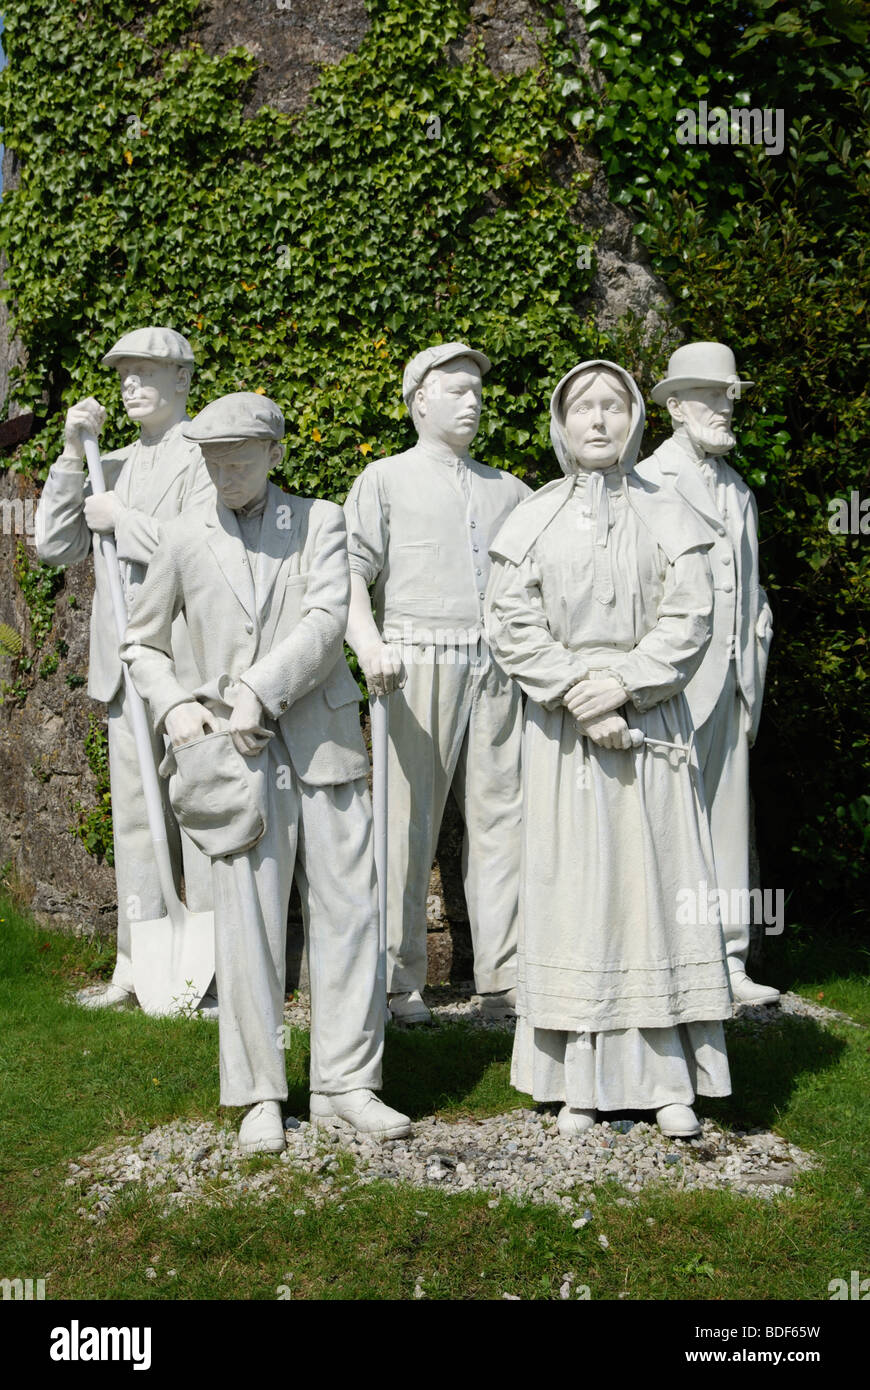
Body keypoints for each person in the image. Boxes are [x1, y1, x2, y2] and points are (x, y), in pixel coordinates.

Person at [121, 392, 410, 1153]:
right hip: (233, 755)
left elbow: (325, 621)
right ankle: (258, 1093)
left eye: (242, 457)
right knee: (246, 923)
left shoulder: (320, 522)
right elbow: (142, 645)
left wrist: (258, 686)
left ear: (276, 454)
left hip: (322, 743)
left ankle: (350, 1084)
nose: (228, 471)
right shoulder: (183, 537)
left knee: (350, 914)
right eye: (214, 459)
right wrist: (175, 703)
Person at [486, 359, 732, 1139]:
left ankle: (666, 1080)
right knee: (578, 895)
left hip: (650, 726)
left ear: (635, 421)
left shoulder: (672, 514)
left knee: (651, 893)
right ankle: (577, 1081)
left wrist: (622, 684)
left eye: (613, 406)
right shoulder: (533, 516)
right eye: (583, 407)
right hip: (563, 742)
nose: (598, 420)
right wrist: (573, 693)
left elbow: (690, 619)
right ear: (561, 423)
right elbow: (509, 622)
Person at [343, 343, 531, 1023]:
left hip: (499, 670)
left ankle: (505, 976)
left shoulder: (511, 491)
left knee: (505, 821)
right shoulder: (384, 480)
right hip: (414, 663)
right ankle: (397, 980)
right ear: (419, 399)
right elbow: (346, 573)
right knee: (405, 823)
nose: (472, 400)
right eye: (455, 389)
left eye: (477, 390)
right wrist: (368, 644)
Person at [34, 326, 214, 1011]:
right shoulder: (110, 463)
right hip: (123, 670)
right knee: (136, 824)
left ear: (180, 380)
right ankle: (137, 963)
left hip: (188, 665)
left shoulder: (206, 457)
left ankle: (209, 963)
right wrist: (71, 460)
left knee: (200, 816)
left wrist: (124, 518)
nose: (130, 385)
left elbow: (200, 546)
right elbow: (53, 546)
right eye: (123, 376)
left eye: (145, 373)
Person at [636, 343, 778, 1006]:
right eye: (716, 395)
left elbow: (754, 593)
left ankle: (727, 958)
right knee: (661, 822)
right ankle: (664, 960)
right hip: (672, 682)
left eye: (730, 395)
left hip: (732, 681)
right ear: (678, 406)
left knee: (725, 820)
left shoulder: (740, 490)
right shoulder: (648, 480)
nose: (729, 406)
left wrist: (754, 663)